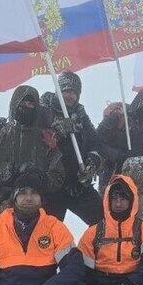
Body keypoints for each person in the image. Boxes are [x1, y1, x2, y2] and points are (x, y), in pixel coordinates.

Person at [0, 85, 65, 241]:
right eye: (22, 103)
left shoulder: (45, 139)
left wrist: (38, 179)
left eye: (31, 104)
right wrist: (9, 171)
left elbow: (58, 175)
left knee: (44, 251)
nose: (26, 107)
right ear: (14, 103)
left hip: (34, 205)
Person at [40, 71, 105, 224]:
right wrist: (57, 130)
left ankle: (100, 247)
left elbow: (95, 142)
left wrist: (92, 162)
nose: (70, 96)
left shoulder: (80, 114)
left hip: (77, 183)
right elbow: (36, 141)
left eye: (74, 93)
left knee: (103, 221)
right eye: (66, 91)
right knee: (48, 232)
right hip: (52, 186)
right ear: (58, 91)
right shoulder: (42, 111)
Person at [96, 89, 143, 193]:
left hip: (136, 178)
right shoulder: (118, 117)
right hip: (111, 172)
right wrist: (117, 155)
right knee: (108, 203)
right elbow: (96, 141)